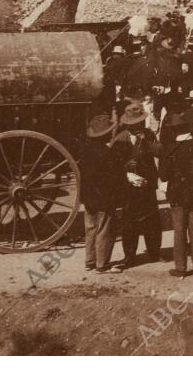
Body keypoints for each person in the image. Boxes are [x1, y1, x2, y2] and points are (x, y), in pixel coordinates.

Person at [111, 102, 161, 269]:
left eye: (140, 123)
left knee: (152, 220)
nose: (138, 126)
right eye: (134, 124)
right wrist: (127, 175)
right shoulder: (120, 139)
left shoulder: (148, 135)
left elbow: (159, 152)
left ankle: (154, 253)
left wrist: (147, 142)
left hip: (147, 184)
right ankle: (130, 256)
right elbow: (115, 164)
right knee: (130, 223)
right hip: (129, 186)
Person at [158, 108, 193, 278]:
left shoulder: (170, 150)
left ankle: (181, 267)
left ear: (173, 130)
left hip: (177, 194)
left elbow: (163, 175)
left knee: (179, 230)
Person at [80, 113, 121, 274]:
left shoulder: (85, 151)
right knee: (104, 229)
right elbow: (115, 177)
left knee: (90, 227)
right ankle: (102, 264)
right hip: (104, 197)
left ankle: (89, 261)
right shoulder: (108, 153)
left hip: (88, 197)